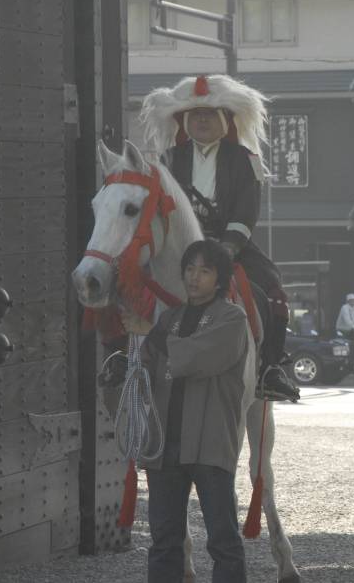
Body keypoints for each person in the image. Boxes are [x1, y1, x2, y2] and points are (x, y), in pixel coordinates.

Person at [141, 73, 299, 402]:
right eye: (196, 114)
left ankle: (270, 369)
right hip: (177, 245)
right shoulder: (168, 160)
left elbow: (246, 210)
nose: (202, 120)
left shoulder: (246, 161)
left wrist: (227, 246)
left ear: (225, 120)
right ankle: (129, 361)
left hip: (229, 244)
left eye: (210, 114)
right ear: (184, 120)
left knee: (272, 287)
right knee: (130, 280)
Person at [118, 240, 253, 583]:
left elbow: (198, 358)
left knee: (222, 540)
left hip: (209, 444)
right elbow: (146, 365)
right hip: (165, 446)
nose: (194, 277)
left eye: (205, 271)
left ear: (219, 279)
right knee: (163, 542)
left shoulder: (232, 318)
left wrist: (151, 334)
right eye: (190, 269)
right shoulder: (171, 318)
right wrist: (125, 367)